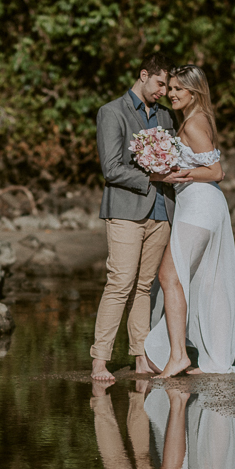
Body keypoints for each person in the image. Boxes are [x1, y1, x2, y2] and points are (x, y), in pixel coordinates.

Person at [91, 53, 194, 383]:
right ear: (143, 74)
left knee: (144, 287)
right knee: (120, 283)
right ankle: (99, 361)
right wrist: (150, 177)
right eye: (160, 83)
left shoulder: (164, 116)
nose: (164, 91)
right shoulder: (111, 112)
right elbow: (111, 168)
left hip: (162, 211)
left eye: (167, 85)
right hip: (125, 211)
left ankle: (140, 357)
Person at [144, 64, 235, 377]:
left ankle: (178, 356)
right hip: (204, 205)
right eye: (170, 89)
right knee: (208, 280)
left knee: (169, 277)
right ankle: (213, 357)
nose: (171, 94)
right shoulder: (199, 119)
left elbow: (217, 172)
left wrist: (178, 176)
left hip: (200, 206)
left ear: (195, 92)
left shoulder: (192, 124)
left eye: (178, 89)